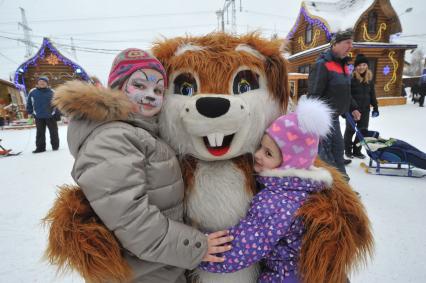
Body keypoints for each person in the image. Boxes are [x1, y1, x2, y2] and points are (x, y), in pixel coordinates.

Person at [52, 48, 231, 282]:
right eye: (139, 85)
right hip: (142, 274)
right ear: (116, 87)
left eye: (158, 89)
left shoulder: (141, 132)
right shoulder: (112, 138)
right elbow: (132, 222)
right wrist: (196, 246)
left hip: (159, 266)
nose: (151, 95)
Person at [199, 97, 372, 282]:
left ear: (289, 163)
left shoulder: (277, 201)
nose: (257, 155)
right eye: (261, 147)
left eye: (268, 153)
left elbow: (245, 247)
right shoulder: (301, 189)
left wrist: (197, 251)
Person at [307, 29, 357, 179]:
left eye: (351, 43)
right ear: (335, 44)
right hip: (324, 120)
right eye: (347, 42)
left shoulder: (344, 65)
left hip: (335, 117)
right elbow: (313, 95)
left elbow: (345, 92)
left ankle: (341, 185)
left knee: (337, 151)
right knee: (327, 155)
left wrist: (353, 107)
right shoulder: (323, 64)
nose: (350, 46)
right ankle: (335, 187)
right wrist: (316, 122)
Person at [344, 54, 379, 159]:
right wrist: (352, 108)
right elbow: (347, 95)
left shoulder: (369, 80)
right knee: (350, 131)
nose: (361, 67)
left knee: (362, 130)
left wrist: (376, 107)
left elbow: (372, 95)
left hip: (365, 110)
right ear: (355, 67)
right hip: (352, 110)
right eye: (359, 65)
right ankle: (348, 150)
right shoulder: (351, 79)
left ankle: (357, 150)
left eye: (364, 64)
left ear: (367, 66)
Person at [26, 76, 59, 153]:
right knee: (40, 133)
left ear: (47, 83)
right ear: (37, 83)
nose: (42, 83)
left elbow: (57, 103)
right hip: (38, 116)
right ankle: (40, 148)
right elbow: (29, 103)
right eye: (40, 81)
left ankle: (55, 146)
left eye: (44, 81)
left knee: (53, 132)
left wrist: (57, 113)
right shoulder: (32, 92)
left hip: (51, 115)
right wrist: (30, 112)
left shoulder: (52, 92)